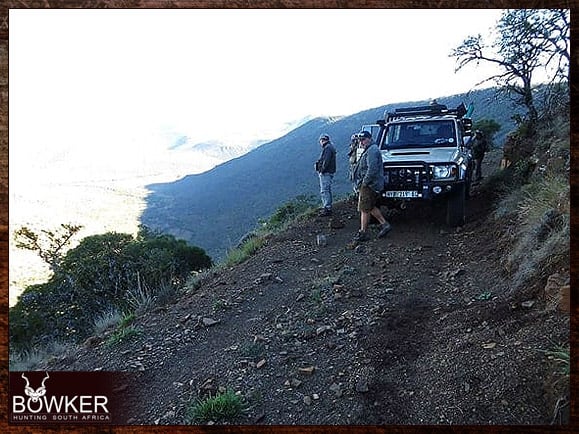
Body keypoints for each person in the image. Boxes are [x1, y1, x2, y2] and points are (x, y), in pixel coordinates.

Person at [352, 131, 391, 241]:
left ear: (369, 138)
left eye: (363, 139)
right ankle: (384, 224)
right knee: (370, 206)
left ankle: (363, 232)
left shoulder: (372, 150)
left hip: (370, 185)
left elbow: (372, 169)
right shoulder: (369, 149)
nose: (361, 142)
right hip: (369, 184)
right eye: (360, 140)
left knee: (364, 208)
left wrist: (365, 182)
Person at [314, 133, 336, 217]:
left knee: (324, 190)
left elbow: (325, 161)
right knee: (327, 189)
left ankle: (327, 208)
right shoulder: (330, 147)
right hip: (329, 171)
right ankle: (327, 206)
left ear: (322, 140)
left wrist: (321, 170)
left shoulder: (327, 148)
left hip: (326, 172)